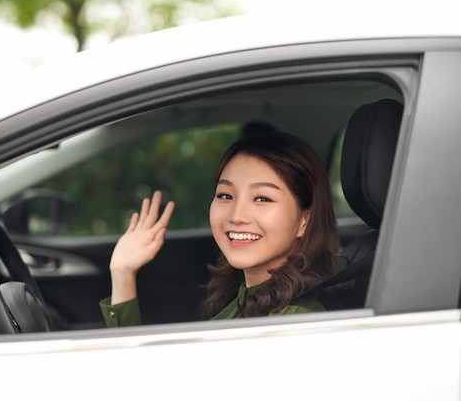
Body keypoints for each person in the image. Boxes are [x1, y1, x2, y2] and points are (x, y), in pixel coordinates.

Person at [100, 132, 339, 326]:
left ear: (304, 221)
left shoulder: (296, 321)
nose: (237, 216)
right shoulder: (245, 301)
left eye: (262, 199)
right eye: (225, 195)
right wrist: (122, 274)